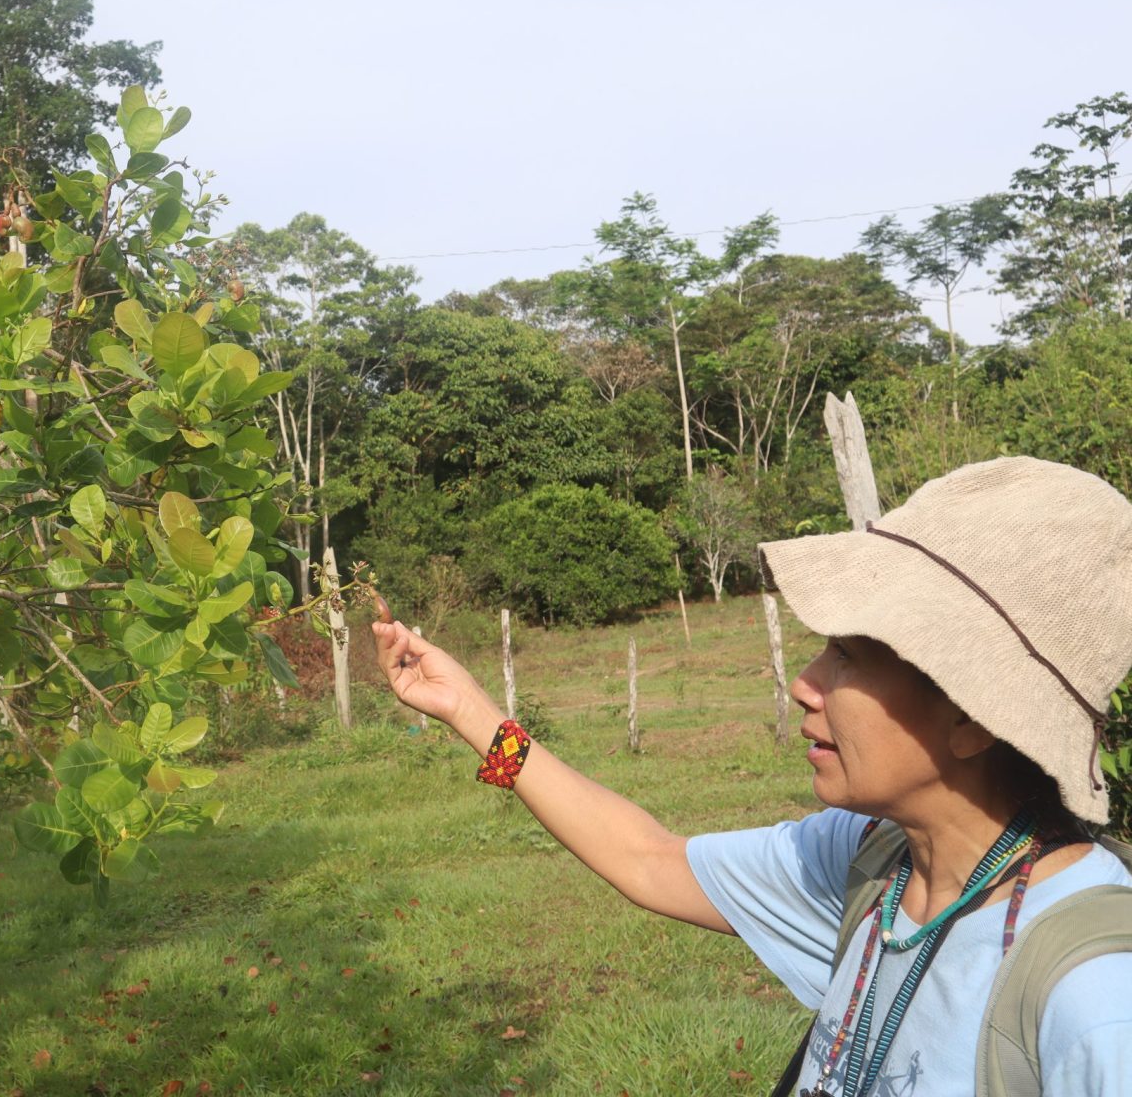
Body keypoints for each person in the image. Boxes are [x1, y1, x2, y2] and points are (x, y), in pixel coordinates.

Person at [370, 457, 1132, 1096]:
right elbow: (649, 859)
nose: (805, 683)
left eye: (847, 656)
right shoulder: (873, 863)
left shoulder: (1094, 994)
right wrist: (470, 712)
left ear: (973, 715)